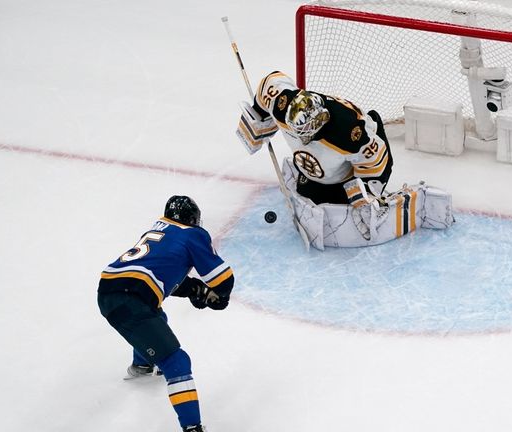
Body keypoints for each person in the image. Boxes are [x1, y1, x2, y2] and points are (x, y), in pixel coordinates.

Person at [97, 195, 234, 432]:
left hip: (109, 290)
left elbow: (157, 274)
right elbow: (222, 278)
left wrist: (193, 289)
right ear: (193, 219)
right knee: (177, 362)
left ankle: (142, 366)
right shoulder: (193, 234)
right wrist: (219, 296)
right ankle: (193, 428)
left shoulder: (158, 232)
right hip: (131, 299)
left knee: (155, 318)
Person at [237, 71, 394, 239]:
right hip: (321, 170)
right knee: (310, 198)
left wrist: (366, 194)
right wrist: (258, 116)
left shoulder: (346, 132)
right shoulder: (282, 104)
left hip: (362, 160)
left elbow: (376, 160)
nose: (301, 139)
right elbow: (270, 82)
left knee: (344, 213)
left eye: (305, 134)